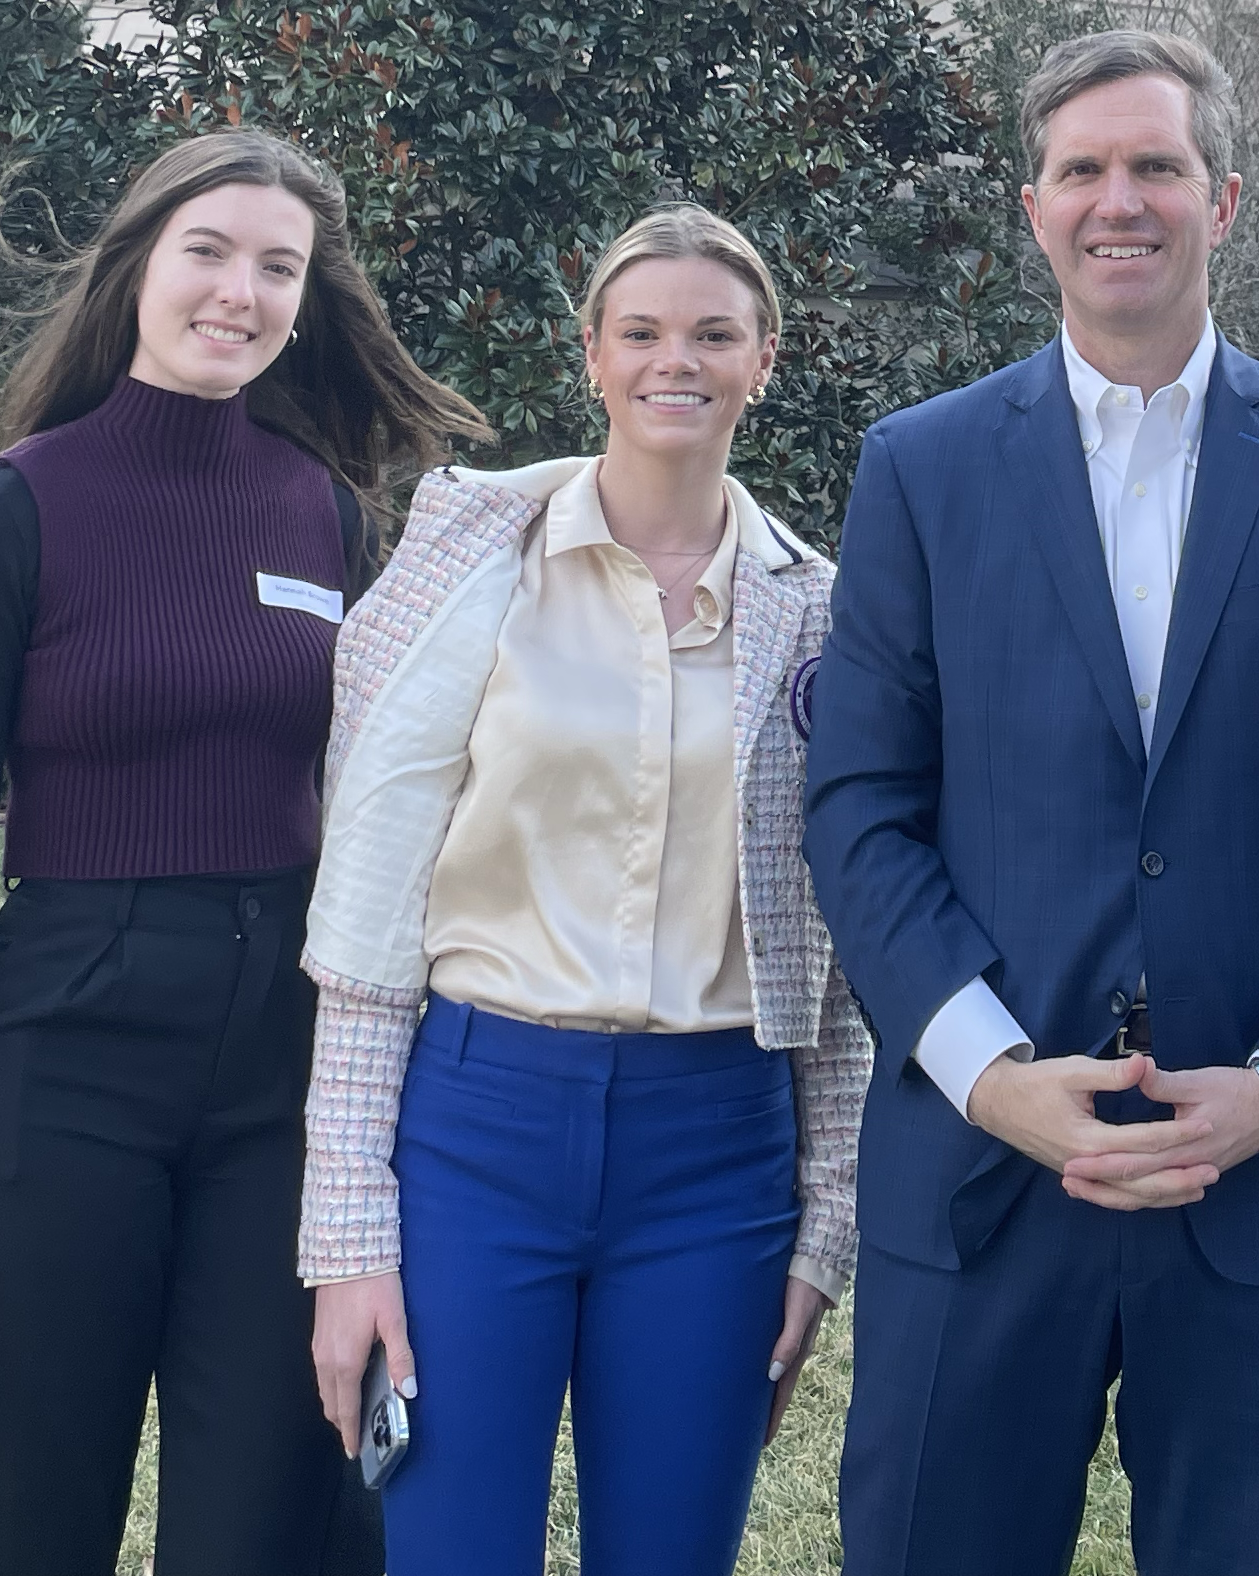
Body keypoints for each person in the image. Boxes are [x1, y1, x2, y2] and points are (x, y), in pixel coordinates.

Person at [804, 30, 1259, 1576]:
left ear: (1224, 197)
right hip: (983, 1182)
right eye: (1085, 169)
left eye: (1157, 165)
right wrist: (987, 1073)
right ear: (1031, 208)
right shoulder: (920, 468)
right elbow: (858, 807)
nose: (1123, 200)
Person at [0, 126, 485, 1576]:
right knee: (2, 1516)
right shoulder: (12, 513)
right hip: (61, 1056)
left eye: (280, 268)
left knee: (279, 1512)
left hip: (281, 1076)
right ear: (138, 263)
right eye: (209, 251)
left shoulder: (325, 514)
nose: (239, 293)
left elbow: (390, 812)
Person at [298, 205, 868, 1576]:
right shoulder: (471, 572)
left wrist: (825, 1231)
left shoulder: (827, 614)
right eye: (644, 332)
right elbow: (372, 924)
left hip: (716, 1153)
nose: (679, 360)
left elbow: (844, 959)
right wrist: (347, 1241)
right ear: (594, 357)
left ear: (765, 360)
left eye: (715, 334)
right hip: (475, 1131)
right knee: (449, 1554)